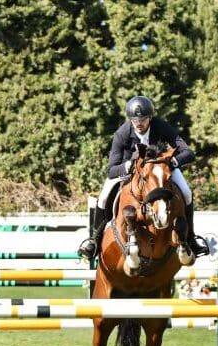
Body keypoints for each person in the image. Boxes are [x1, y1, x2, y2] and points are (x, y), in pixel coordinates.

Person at [78, 95, 209, 260]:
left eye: (143, 119)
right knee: (103, 197)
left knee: (186, 192)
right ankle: (94, 240)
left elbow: (188, 152)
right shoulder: (122, 133)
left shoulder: (161, 127)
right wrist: (127, 166)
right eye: (135, 120)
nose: (139, 123)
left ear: (150, 118)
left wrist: (172, 161)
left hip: (160, 168)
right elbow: (111, 170)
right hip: (131, 169)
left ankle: (190, 238)